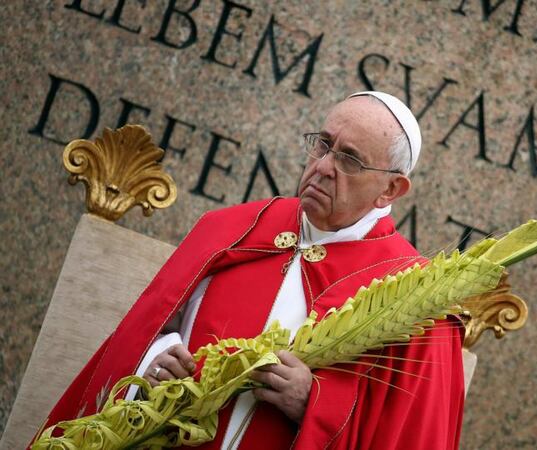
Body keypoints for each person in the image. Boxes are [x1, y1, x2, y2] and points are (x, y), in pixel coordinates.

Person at [36, 92, 466, 449]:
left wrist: (313, 404)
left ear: (391, 188)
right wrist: (153, 363)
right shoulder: (229, 229)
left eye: (350, 160)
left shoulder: (415, 295)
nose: (322, 167)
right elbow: (142, 335)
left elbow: (410, 435)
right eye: (323, 144)